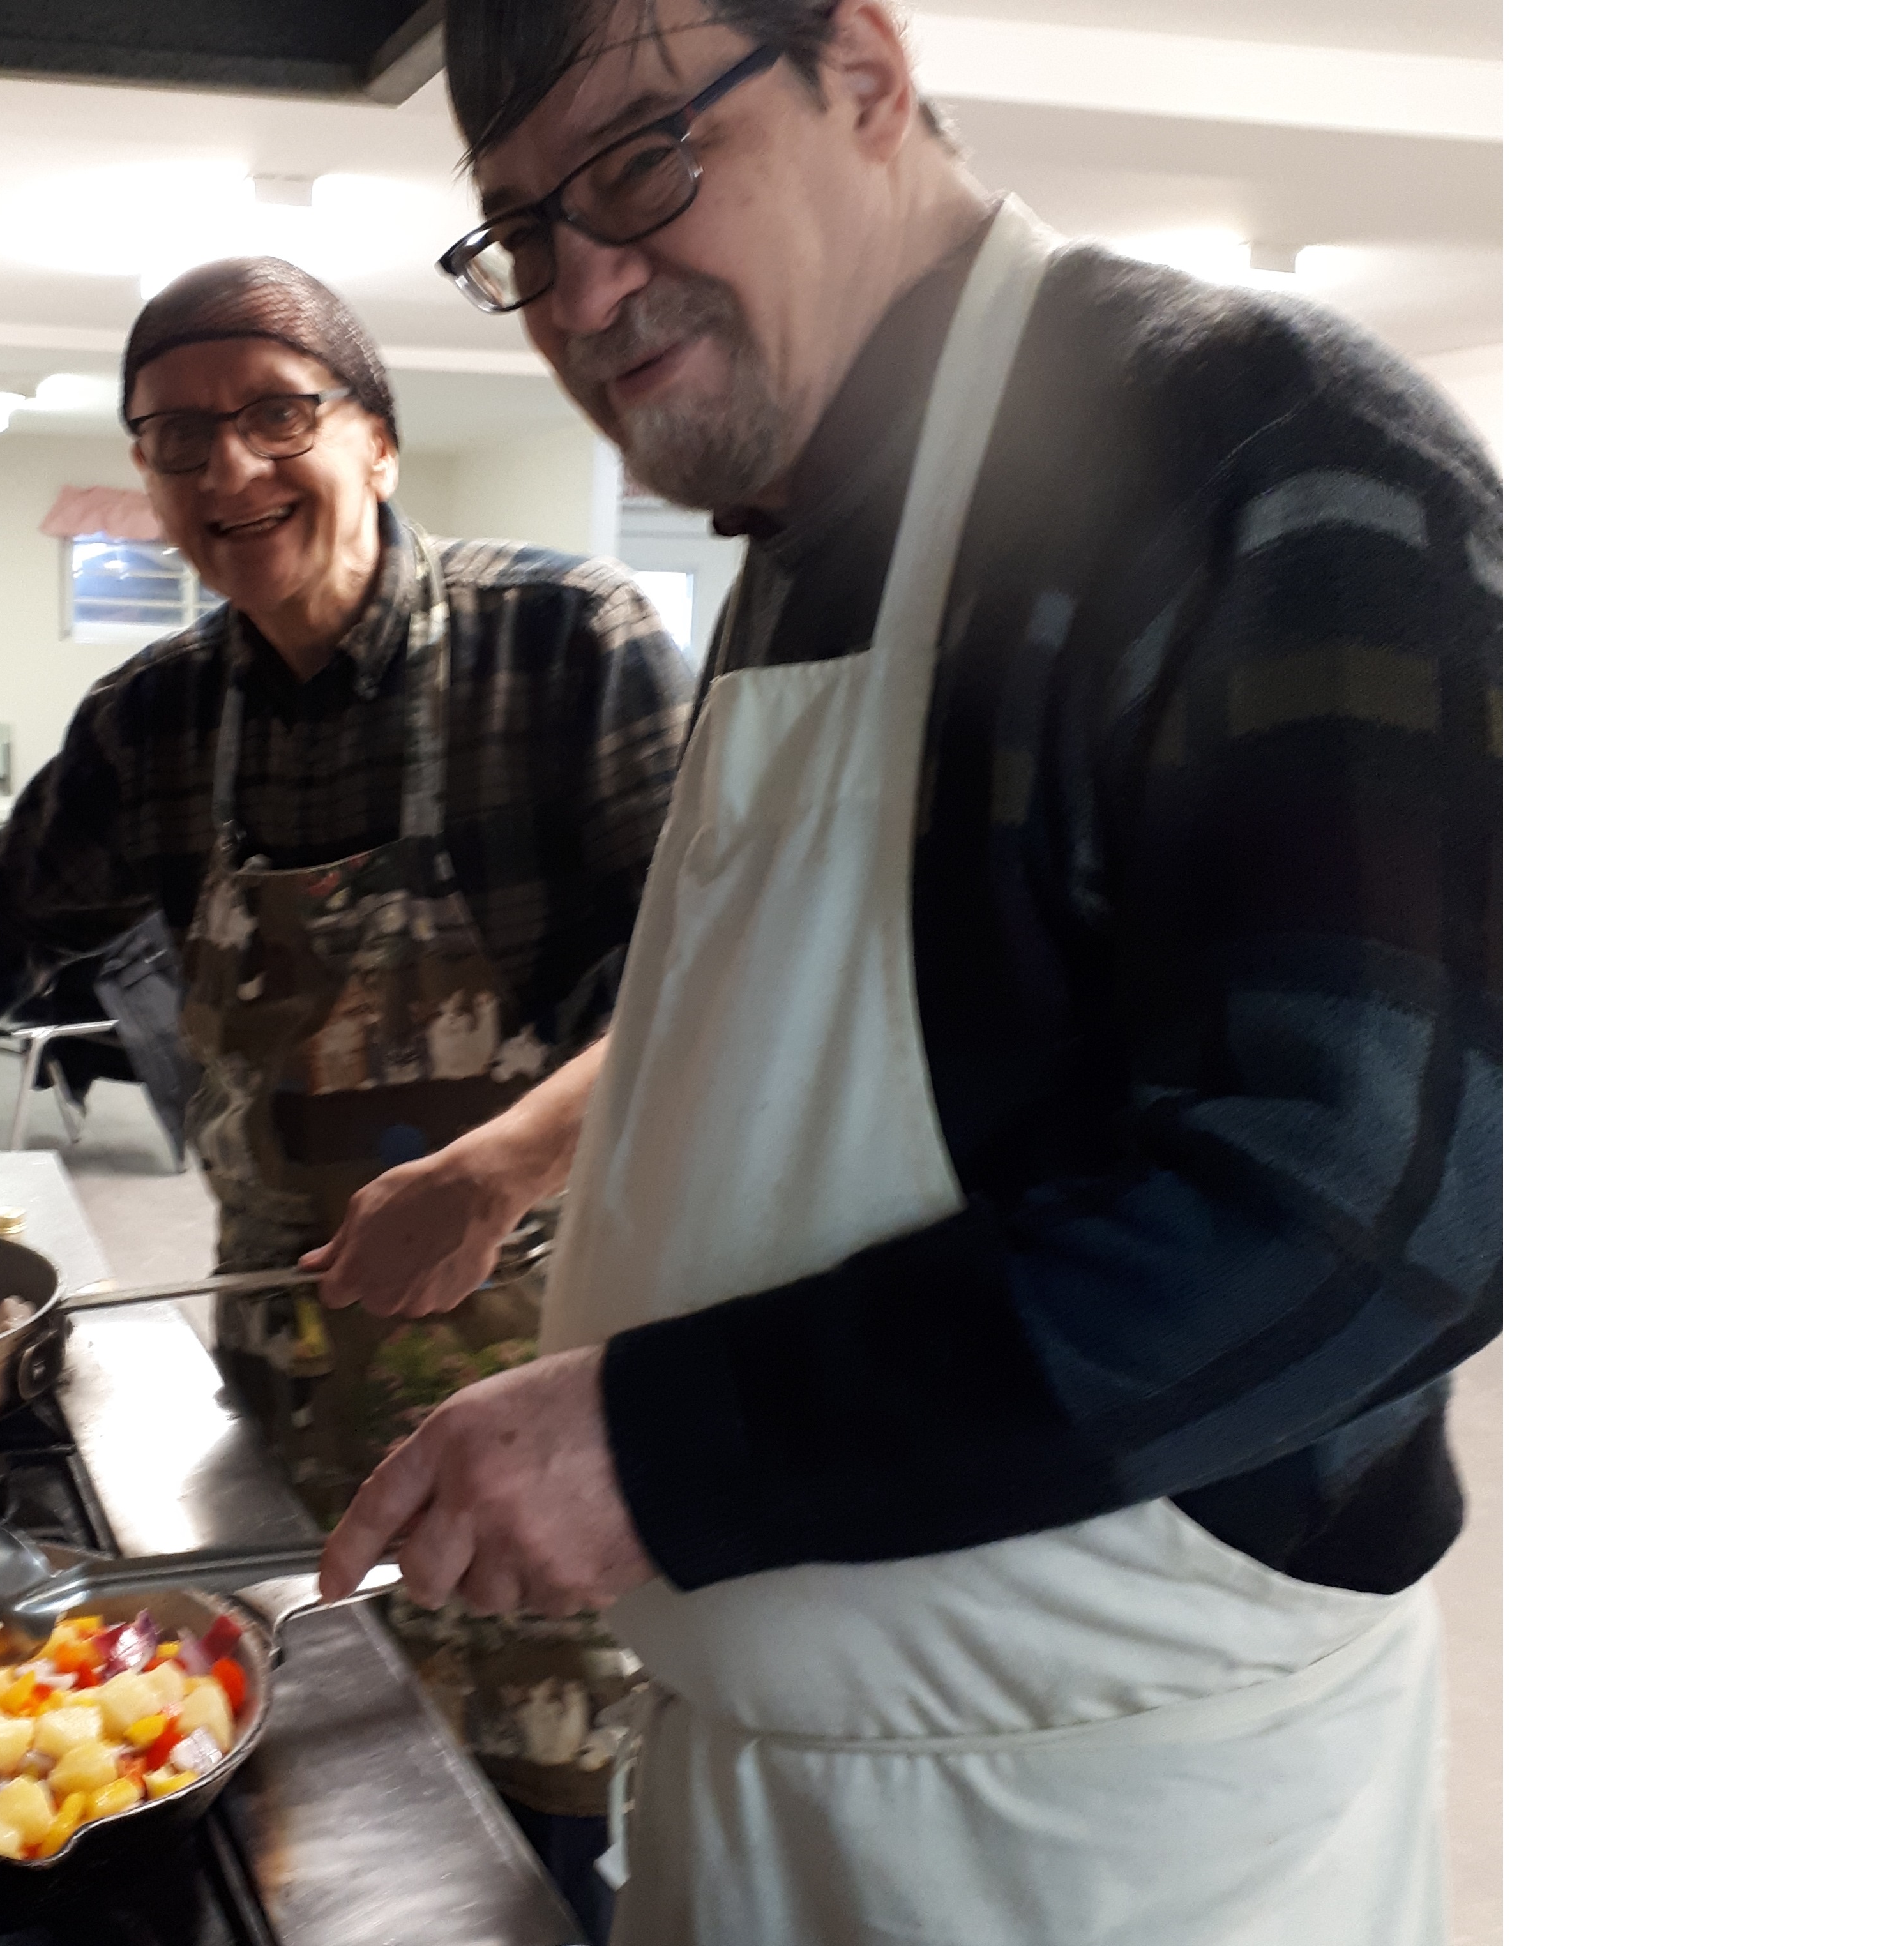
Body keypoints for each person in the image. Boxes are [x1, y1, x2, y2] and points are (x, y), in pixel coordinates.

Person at [301, 3, 1504, 1942]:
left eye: (640, 162)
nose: (583, 288)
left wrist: (666, 1446)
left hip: (1105, 1842)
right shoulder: (808, 539)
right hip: (764, 1788)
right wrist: (533, 1183)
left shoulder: (1261, 443)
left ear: (862, 73)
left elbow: (1379, 1206)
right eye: (522, 229)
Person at [0, 257, 694, 1901]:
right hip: (282, 1369)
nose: (228, 467)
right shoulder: (159, 721)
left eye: (276, 416)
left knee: (530, 1837)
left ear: (376, 439)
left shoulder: (566, 642)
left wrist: (500, 1164)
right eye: (175, 438)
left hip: (545, 1360)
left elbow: (713, 982)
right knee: (315, 1817)